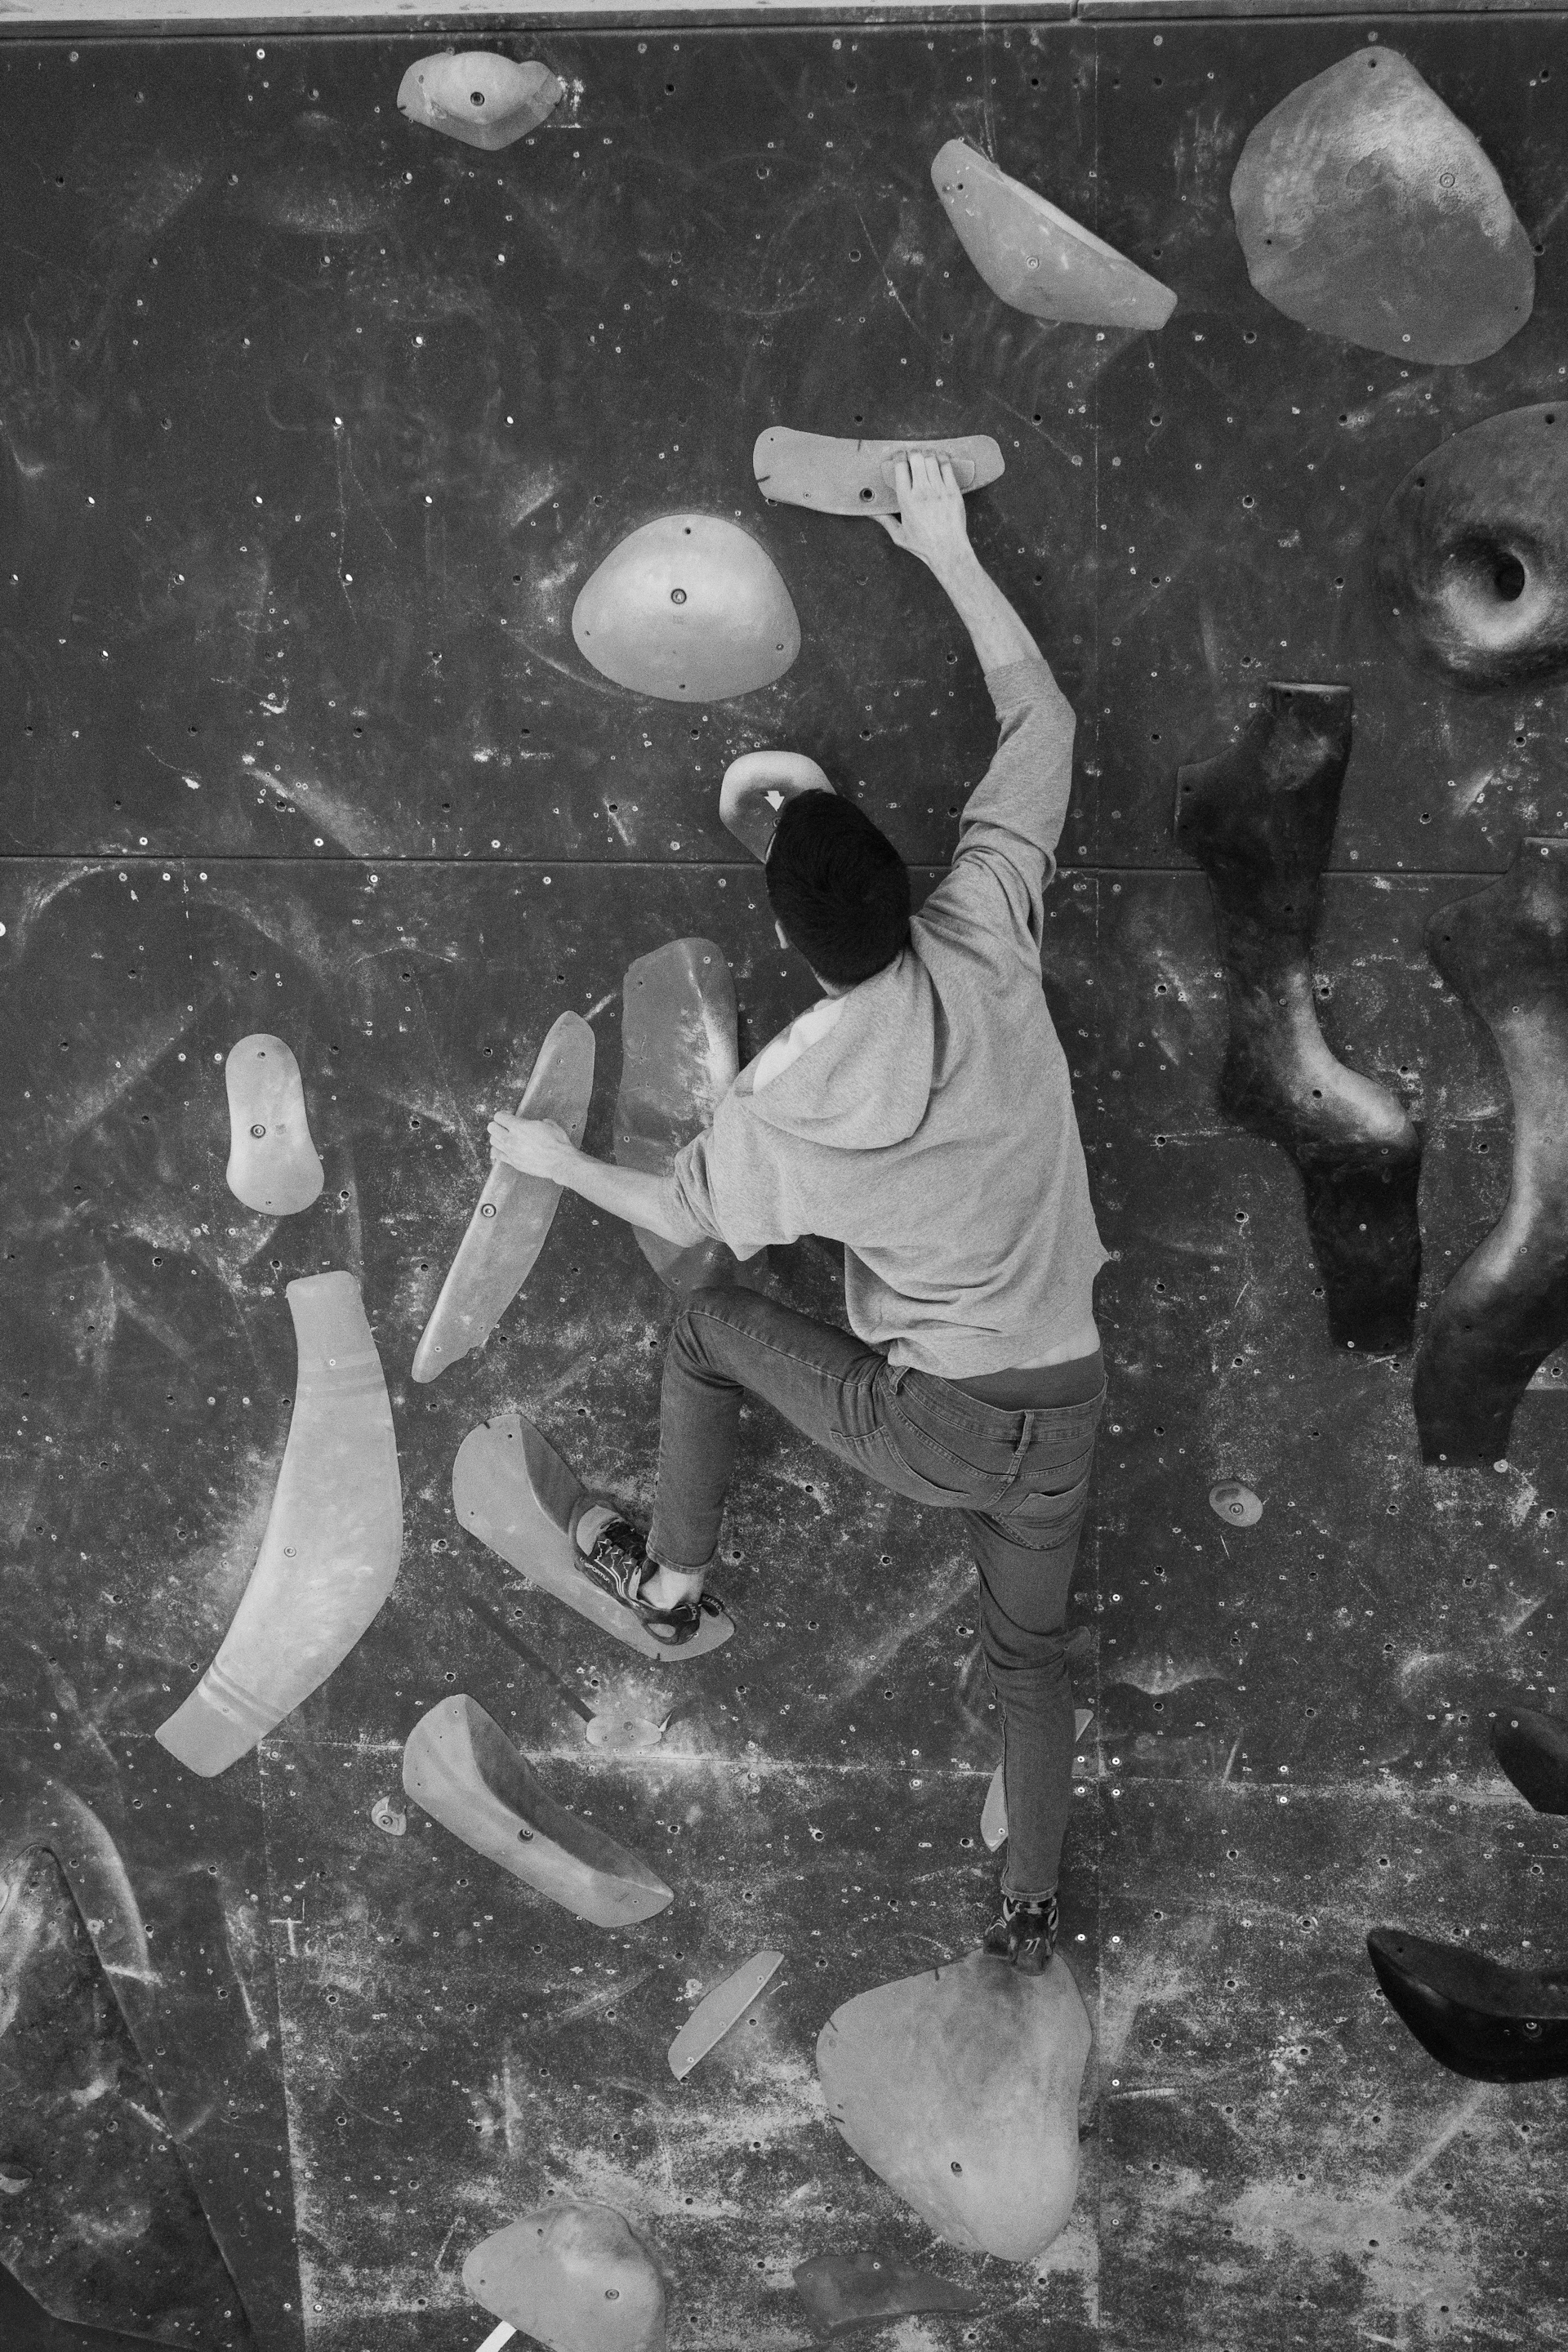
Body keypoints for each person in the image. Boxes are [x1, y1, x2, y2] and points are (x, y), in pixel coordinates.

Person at [490, 451, 1107, 1971]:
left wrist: (550, 1163)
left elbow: (685, 1218)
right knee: (1028, 1655)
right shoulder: (987, 927)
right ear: (908, 884)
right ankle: (1029, 1905)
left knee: (703, 1329)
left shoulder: (790, 1103)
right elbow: (1045, 724)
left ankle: (677, 1585)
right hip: (1069, 1400)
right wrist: (948, 547)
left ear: (794, 939)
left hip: (938, 1422)